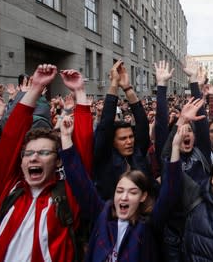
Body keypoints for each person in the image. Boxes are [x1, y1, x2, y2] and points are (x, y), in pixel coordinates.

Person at [0, 64, 81, 261]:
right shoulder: (8, 191)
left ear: (57, 162)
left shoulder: (66, 198)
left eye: (44, 152)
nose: (34, 158)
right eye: (28, 154)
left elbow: (84, 154)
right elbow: (10, 140)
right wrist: (35, 87)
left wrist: (80, 93)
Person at [60, 111, 183, 261]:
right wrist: (66, 138)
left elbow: (170, 193)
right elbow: (80, 182)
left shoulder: (149, 224)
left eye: (132, 192)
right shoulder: (103, 214)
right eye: (119, 191)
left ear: (143, 196)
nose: (124, 197)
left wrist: (175, 148)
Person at [93, 60, 151, 200]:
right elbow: (106, 123)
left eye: (131, 137)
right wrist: (114, 84)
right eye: (123, 139)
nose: (129, 141)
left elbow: (142, 123)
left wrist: (127, 88)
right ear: (112, 142)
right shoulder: (105, 157)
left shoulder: (138, 153)